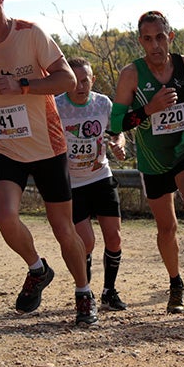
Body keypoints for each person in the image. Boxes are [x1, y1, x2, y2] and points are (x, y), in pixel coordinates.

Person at [0, 0, 96, 326]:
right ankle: (37, 269)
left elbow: (66, 79)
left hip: (46, 145)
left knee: (64, 230)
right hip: (4, 146)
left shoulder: (30, 34)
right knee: (5, 217)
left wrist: (21, 84)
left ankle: (84, 293)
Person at [109, 10, 184, 313]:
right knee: (166, 227)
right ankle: (176, 283)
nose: (155, 45)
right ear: (140, 42)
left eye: (160, 37)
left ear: (170, 36)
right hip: (153, 160)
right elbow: (117, 122)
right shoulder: (131, 74)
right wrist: (149, 109)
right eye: (148, 39)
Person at [55, 58, 129, 311]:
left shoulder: (103, 103)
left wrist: (119, 144)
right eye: (74, 81)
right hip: (72, 184)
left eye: (85, 80)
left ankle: (109, 291)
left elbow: (118, 131)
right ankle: (85, 293)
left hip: (101, 176)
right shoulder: (56, 106)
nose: (80, 86)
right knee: (85, 242)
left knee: (114, 238)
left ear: (92, 80)